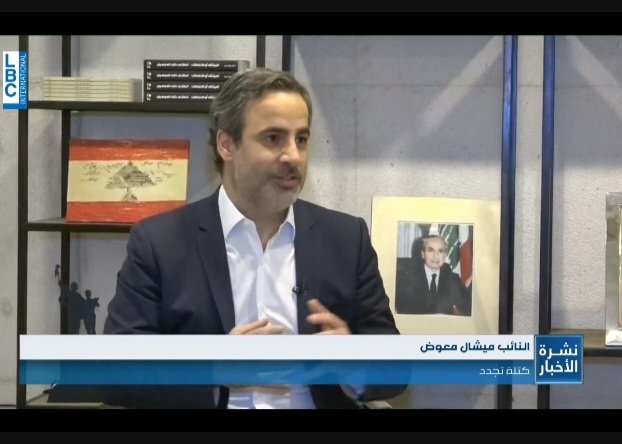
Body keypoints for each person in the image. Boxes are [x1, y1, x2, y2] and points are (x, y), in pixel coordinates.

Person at [103, 68, 405, 409]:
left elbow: (395, 370)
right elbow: (116, 372)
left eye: (301, 139)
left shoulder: (346, 239)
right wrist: (213, 369)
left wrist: (352, 363)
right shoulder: (159, 243)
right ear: (227, 144)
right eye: (273, 138)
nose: (293, 156)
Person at [395, 235, 470, 316]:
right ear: (423, 254)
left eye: (440, 251)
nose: (435, 256)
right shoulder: (406, 279)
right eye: (430, 250)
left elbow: (466, 308)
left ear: (445, 255)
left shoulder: (453, 279)